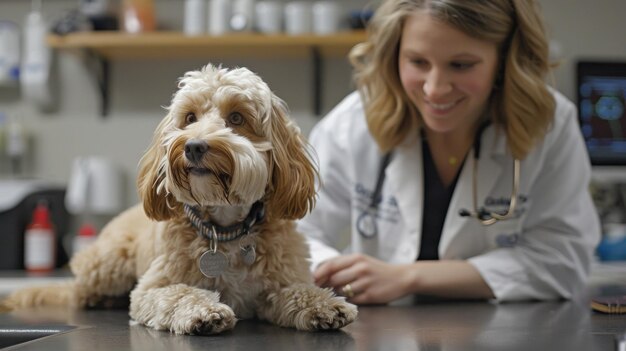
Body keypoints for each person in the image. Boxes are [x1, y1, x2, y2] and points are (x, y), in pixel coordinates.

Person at [297, 0, 601, 304]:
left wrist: (406, 276)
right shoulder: (352, 124)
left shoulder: (549, 125)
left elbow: (563, 259)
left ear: (505, 59)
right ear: (395, 55)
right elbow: (294, 231)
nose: (435, 89)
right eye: (417, 62)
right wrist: (329, 268)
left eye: (461, 65)